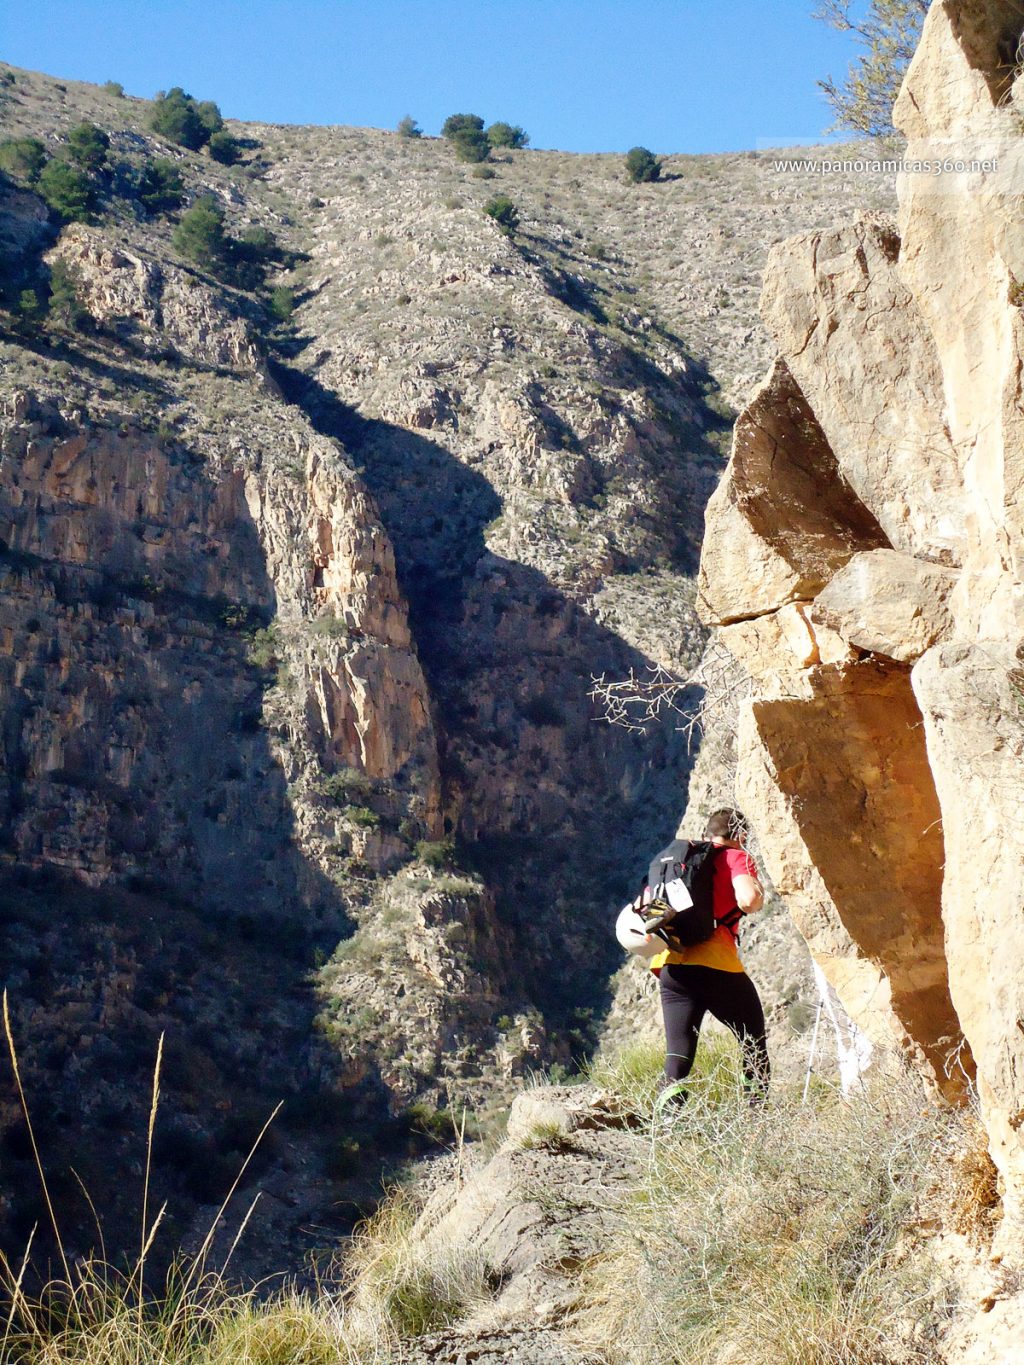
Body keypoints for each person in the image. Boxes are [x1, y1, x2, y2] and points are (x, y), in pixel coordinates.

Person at [650, 808, 770, 1104]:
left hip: (673, 968)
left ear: (707, 833)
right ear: (740, 836)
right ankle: (758, 1119)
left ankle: (667, 1126)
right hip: (718, 968)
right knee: (753, 1044)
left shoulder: (678, 860)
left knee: (677, 1053)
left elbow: (646, 916)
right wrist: (756, 896)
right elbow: (749, 899)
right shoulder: (735, 857)